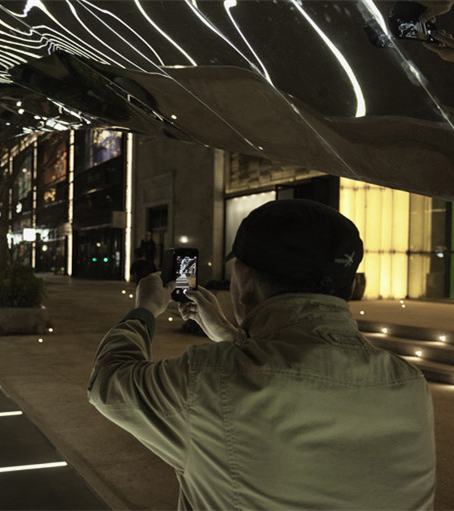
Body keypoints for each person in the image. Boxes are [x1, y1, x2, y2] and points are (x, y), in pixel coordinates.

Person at [88, 199, 435, 510]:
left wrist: (146, 307)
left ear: (245, 283)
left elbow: (108, 382)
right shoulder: (408, 383)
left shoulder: (208, 380)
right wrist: (228, 334)